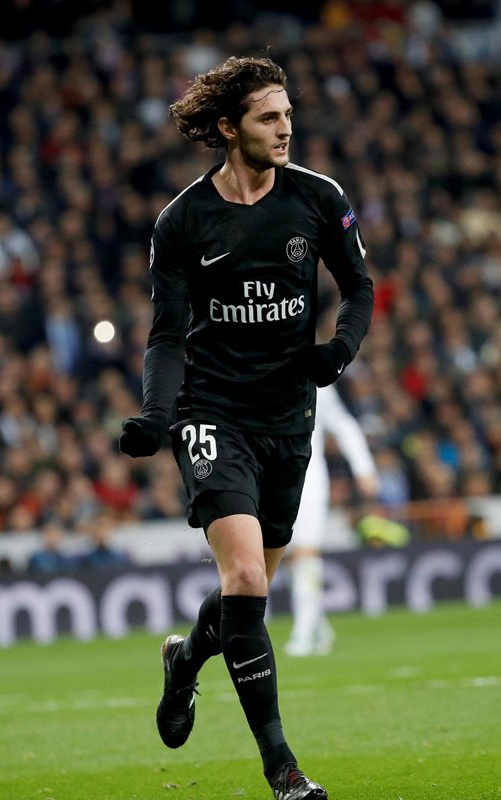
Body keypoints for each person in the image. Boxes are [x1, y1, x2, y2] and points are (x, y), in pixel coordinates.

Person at [118, 56, 372, 800]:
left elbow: (358, 286)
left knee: (246, 601)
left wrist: (339, 350)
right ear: (229, 128)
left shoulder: (318, 199)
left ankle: (185, 659)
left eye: (288, 113)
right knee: (246, 577)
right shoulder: (184, 220)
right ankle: (281, 768)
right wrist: (159, 415)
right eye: (268, 116)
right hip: (212, 411)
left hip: (289, 416)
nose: (285, 126)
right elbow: (166, 336)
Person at [285, 384, 377, 657]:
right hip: (272, 480)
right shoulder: (259, 372)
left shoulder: (315, 382)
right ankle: (318, 625)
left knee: (305, 551)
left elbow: (343, 425)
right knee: (288, 557)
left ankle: (303, 633)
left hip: (309, 480)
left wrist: (364, 468)